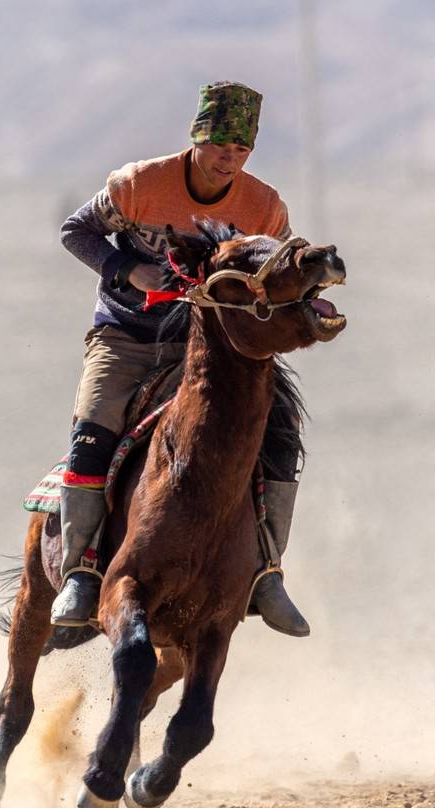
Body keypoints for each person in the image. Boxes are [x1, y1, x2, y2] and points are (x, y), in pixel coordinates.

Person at [50, 81, 310, 638]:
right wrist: (126, 270)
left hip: (214, 348)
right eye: (220, 147)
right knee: (93, 427)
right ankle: (80, 570)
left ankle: (266, 573)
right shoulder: (139, 184)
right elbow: (77, 231)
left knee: (281, 431)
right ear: (197, 138)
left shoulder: (263, 206)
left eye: (241, 152)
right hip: (126, 335)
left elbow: (282, 271)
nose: (229, 161)